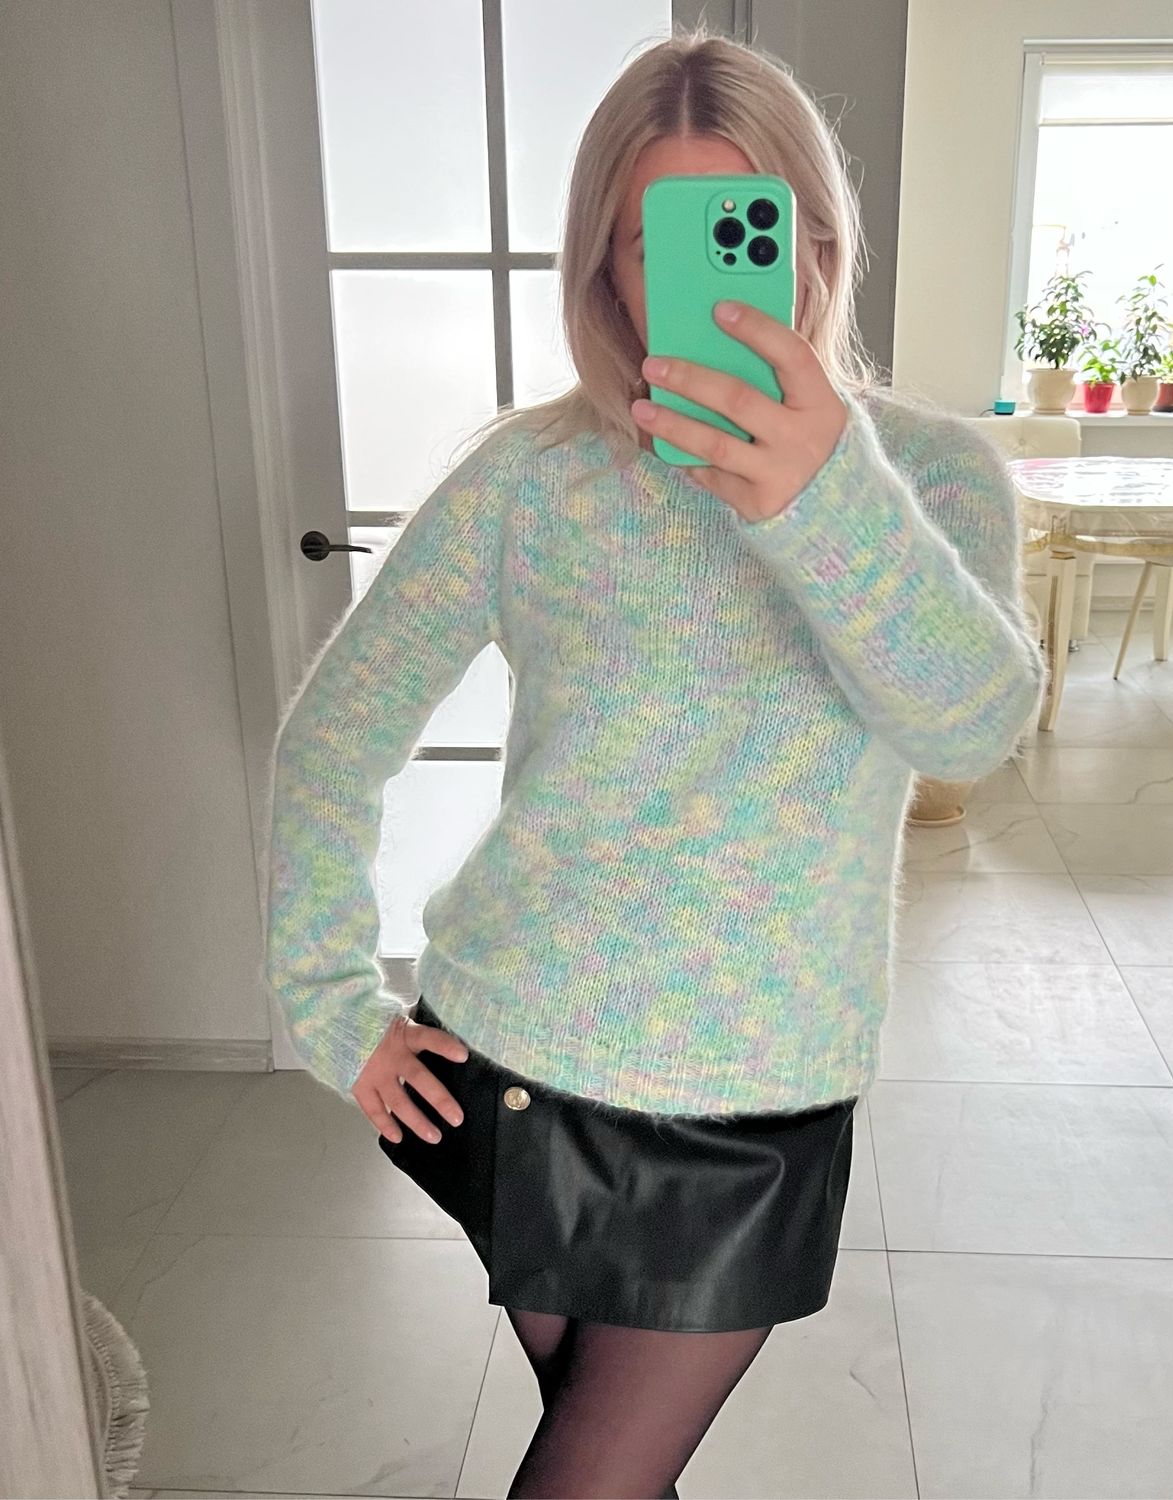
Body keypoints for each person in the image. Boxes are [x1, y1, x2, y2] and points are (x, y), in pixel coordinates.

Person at [262, 27, 1046, 1500]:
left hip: (754, 1110)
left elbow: (971, 728)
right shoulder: (530, 478)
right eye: (656, 239)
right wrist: (327, 1002)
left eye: (749, 228)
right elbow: (335, 733)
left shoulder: (930, 477)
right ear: (609, 269)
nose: (714, 277)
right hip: (517, 1067)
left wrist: (824, 497)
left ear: (817, 243)